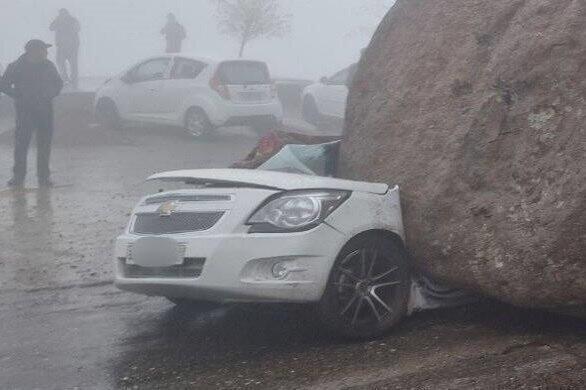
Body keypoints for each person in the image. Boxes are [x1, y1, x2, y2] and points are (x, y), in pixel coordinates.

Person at [0, 40, 63, 188]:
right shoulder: (16, 66)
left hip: (45, 111)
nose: (46, 52)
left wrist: (50, 93)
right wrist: (18, 95)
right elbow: (3, 84)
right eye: (43, 49)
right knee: (21, 145)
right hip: (25, 112)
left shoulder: (49, 66)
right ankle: (18, 177)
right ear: (32, 51)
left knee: (44, 145)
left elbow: (58, 83)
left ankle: (44, 178)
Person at [50, 8, 80, 89]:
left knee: (72, 64)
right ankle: (66, 79)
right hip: (63, 46)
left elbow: (77, 29)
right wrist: (57, 20)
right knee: (62, 62)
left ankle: (72, 80)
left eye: (61, 13)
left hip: (71, 47)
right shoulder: (60, 20)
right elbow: (51, 27)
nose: (61, 15)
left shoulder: (72, 20)